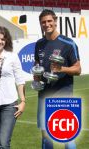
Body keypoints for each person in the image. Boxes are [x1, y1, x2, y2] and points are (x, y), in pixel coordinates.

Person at [34, 9, 81, 149]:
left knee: (67, 136)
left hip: (63, 95)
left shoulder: (68, 43)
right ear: (40, 24)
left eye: (49, 21)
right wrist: (36, 76)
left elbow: (78, 69)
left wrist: (62, 69)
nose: (47, 24)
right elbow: (37, 65)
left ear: (55, 22)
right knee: (46, 136)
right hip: (44, 95)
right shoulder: (39, 44)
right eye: (43, 22)